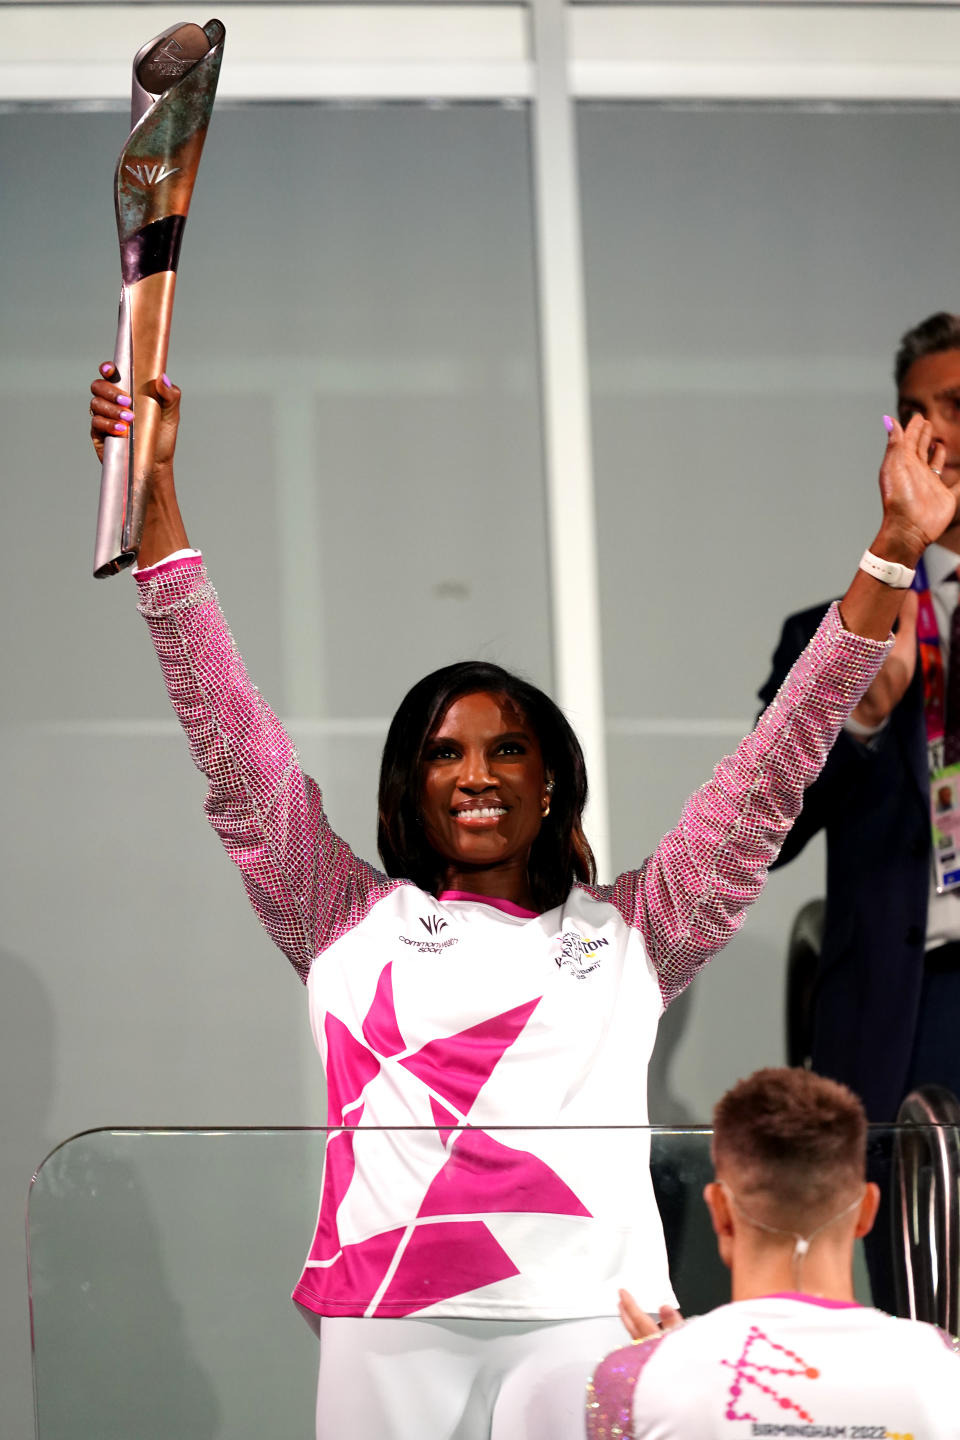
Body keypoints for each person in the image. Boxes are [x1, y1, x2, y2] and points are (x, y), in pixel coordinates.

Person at [89, 360, 956, 1440]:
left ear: (551, 783)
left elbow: (778, 765)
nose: (477, 773)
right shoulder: (340, 916)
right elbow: (230, 735)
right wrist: (156, 501)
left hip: (593, 1321)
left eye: (508, 749)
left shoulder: (640, 928)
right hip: (387, 1323)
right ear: (410, 786)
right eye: (445, 754)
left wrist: (894, 550)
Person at [759, 312, 960, 1128]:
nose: (933, 435)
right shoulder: (838, 634)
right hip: (903, 1012)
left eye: (954, 405)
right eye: (915, 413)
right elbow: (763, 831)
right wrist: (859, 722)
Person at [588, 1067, 960, 1440]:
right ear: (867, 1211)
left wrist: (665, 1362)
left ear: (719, 1211)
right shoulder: (946, 1372)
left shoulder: (638, 1381)